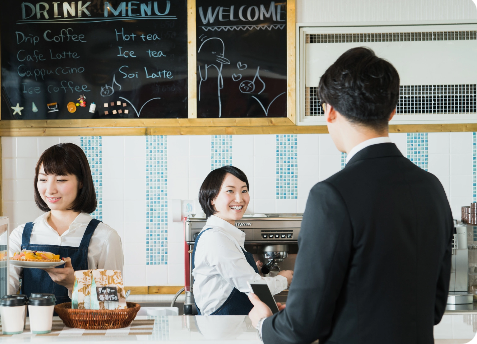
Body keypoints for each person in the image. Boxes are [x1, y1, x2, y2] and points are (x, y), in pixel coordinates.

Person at [248, 47, 453, 344]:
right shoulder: (432, 188)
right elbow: (433, 307)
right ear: (391, 111)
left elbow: (303, 327)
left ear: (329, 110)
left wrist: (266, 324)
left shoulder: (331, 195)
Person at [8, 143, 124, 304]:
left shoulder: (104, 237)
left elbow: (112, 305)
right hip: (32, 328)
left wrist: (73, 284)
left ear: (81, 182)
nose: (49, 190)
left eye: (61, 180)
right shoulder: (20, 235)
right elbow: (6, 293)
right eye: (43, 179)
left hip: (84, 329)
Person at [192, 165, 293, 315]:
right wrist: (284, 279)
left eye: (244, 191)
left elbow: (234, 285)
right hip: (223, 329)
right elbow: (254, 286)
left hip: (233, 326)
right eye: (230, 191)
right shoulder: (215, 238)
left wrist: (268, 309)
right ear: (212, 198)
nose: (239, 199)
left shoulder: (227, 235)